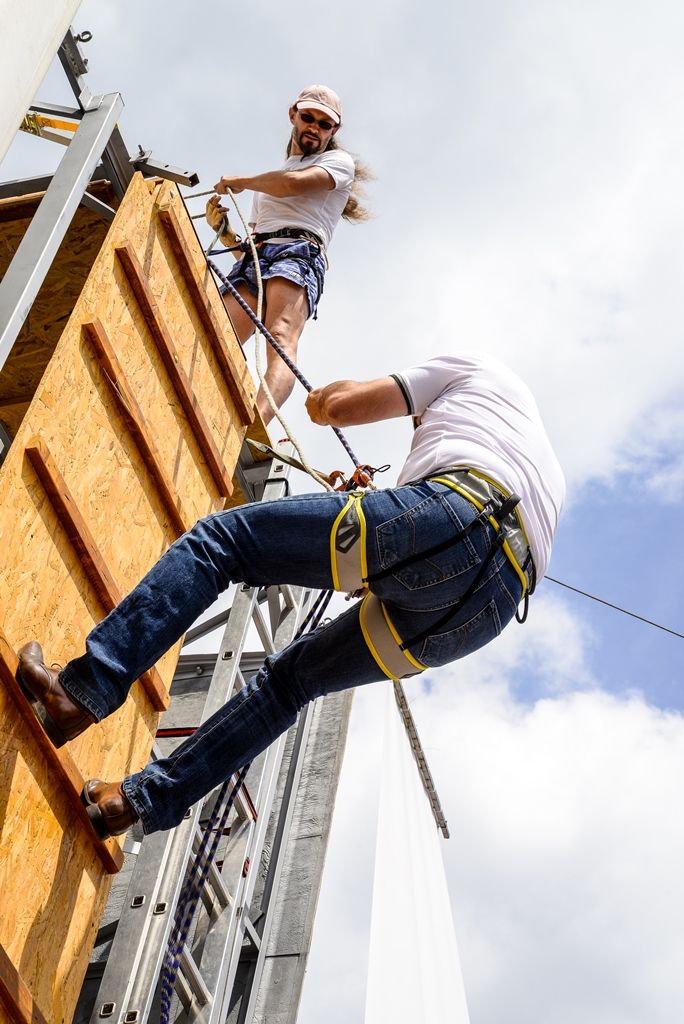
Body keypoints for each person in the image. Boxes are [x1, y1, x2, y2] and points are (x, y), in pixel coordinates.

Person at [17, 352, 565, 839]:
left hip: (458, 515)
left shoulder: (476, 370)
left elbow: (344, 407)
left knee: (222, 543)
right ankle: (134, 803)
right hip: (490, 607)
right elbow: (427, 560)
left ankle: (78, 691)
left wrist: (326, 398)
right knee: (290, 685)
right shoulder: (540, 468)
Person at [207, 84, 370, 424]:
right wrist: (225, 234)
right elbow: (249, 247)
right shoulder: (267, 185)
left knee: (279, 335)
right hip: (258, 256)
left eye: (325, 124)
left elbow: (294, 184)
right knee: (217, 330)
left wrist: (243, 180)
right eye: (309, 118)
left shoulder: (337, 163)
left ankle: (255, 423)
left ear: (334, 131)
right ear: (293, 115)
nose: (315, 128)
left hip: (299, 251)